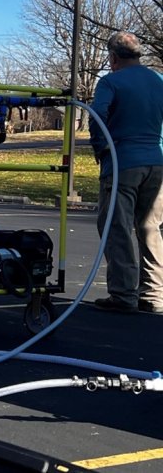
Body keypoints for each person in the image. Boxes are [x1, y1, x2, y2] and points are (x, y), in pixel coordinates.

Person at [88, 31, 163, 313]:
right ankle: (154, 296)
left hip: (123, 163)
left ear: (113, 57)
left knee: (115, 226)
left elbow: (98, 116)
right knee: (150, 227)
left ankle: (123, 293)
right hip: (156, 162)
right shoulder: (158, 80)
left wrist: (101, 148)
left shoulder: (110, 82)